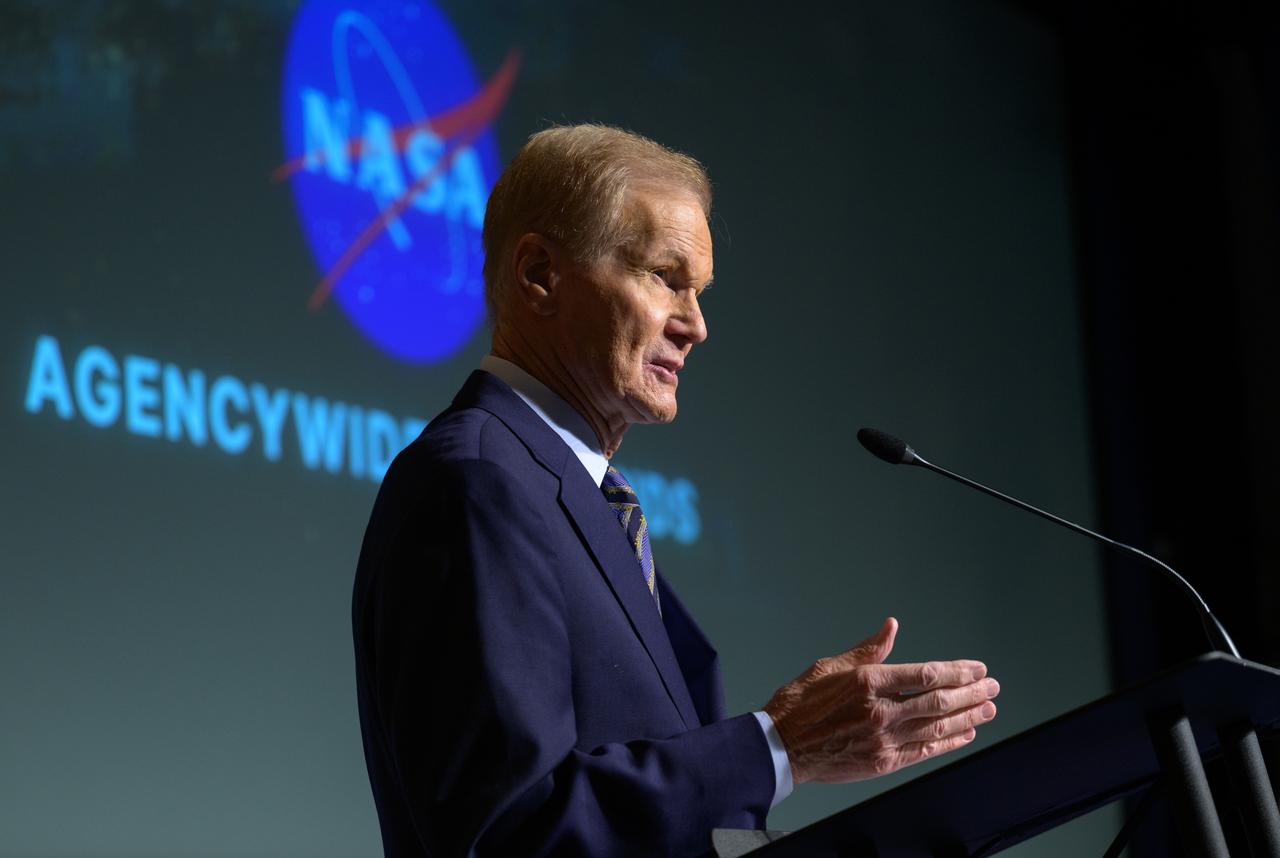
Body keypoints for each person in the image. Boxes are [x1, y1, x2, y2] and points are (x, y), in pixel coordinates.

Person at [351, 124, 1001, 857]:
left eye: (700, 291)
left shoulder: (573, 492)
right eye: (665, 276)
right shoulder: (477, 482)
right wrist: (777, 748)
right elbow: (512, 828)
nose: (696, 325)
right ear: (539, 275)